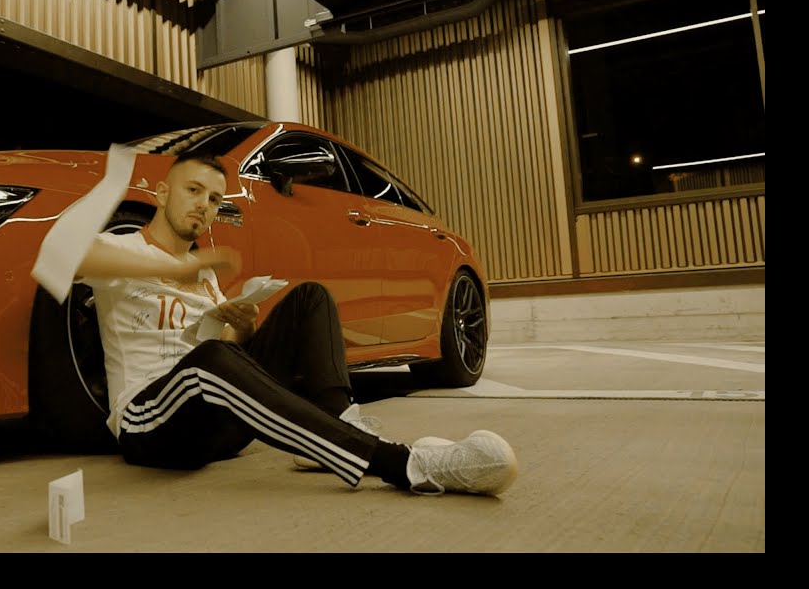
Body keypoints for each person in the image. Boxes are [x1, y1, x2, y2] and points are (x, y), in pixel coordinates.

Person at [71, 150, 518, 496]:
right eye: (193, 191)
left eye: (214, 199)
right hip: (151, 426)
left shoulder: (205, 276)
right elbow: (66, 256)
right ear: (162, 193)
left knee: (309, 297)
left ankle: (342, 420)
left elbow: (226, 347)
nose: (204, 206)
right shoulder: (122, 248)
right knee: (211, 358)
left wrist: (242, 326)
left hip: (217, 424)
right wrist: (173, 269)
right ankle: (404, 465)